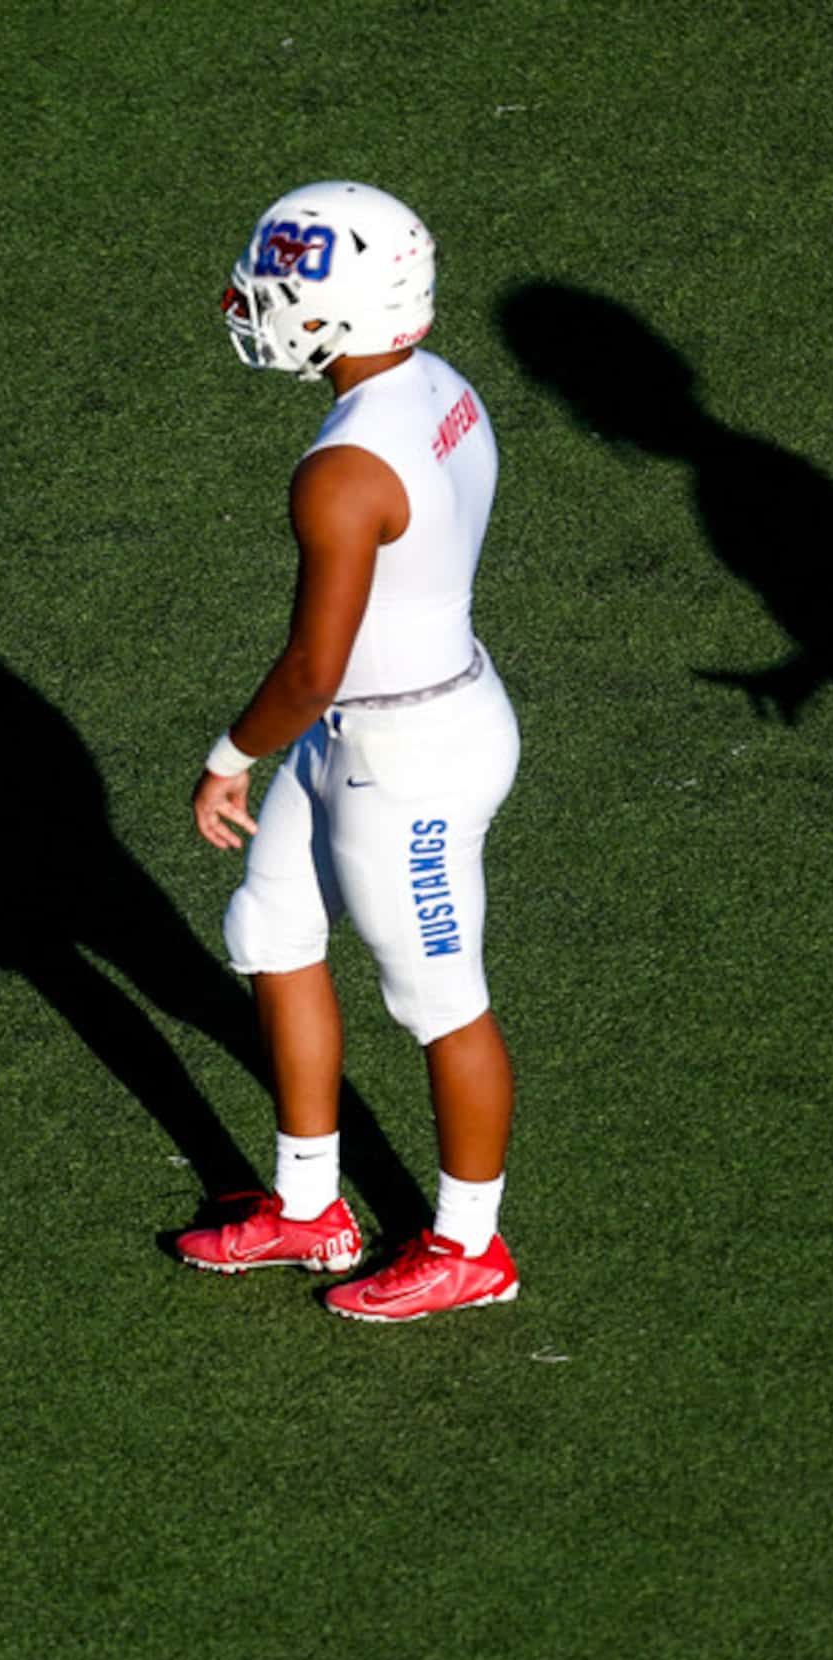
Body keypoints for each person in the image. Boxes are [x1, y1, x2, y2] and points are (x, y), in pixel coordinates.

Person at [178, 182, 523, 1322]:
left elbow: (311, 667)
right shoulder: (440, 385)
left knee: (439, 1002)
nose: (252, 303)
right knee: (267, 930)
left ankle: (471, 1247)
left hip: (403, 753)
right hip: (384, 719)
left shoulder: (337, 474)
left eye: (276, 292)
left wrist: (228, 753)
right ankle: (310, 1207)